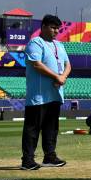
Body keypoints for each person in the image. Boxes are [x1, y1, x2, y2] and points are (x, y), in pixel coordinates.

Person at [20, 14, 70, 170]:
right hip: (39, 95)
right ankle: (27, 160)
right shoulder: (35, 43)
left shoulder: (59, 45)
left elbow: (68, 64)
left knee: (51, 128)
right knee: (32, 128)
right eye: (53, 27)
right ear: (43, 27)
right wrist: (57, 76)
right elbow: (37, 64)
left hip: (55, 93)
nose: (56, 31)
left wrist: (63, 76)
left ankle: (50, 156)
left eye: (58, 28)